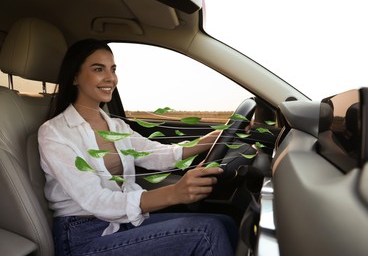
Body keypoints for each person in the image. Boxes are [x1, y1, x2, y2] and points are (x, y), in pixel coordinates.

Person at [38, 38, 239, 255]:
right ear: (75, 77)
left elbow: (155, 154)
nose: (110, 78)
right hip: (82, 237)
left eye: (113, 69)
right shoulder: (54, 132)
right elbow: (96, 200)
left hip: (120, 222)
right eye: (99, 69)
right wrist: (174, 193)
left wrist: (212, 138)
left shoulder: (115, 125)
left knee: (226, 223)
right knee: (208, 232)